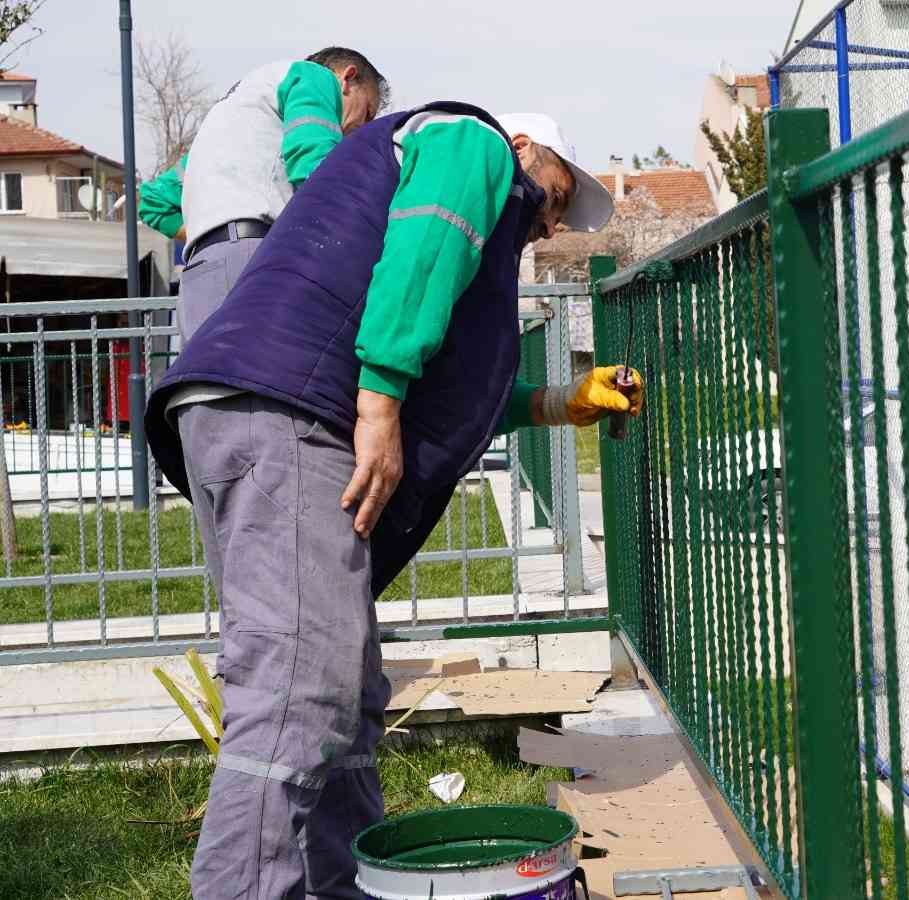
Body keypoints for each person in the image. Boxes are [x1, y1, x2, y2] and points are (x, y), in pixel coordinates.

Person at [144, 104, 638, 900]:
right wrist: (377, 405)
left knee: (340, 684)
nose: (552, 223)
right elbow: (421, 253)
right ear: (523, 147)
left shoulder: (461, 206)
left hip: (254, 406)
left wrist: (558, 401)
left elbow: (452, 385)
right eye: (554, 195)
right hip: (291, 414)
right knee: (298, 695)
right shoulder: (469, 143)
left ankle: (341, 886)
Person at [137, 47, 388, 339]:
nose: (361, 129)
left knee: (208, 383)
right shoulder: (315, 77)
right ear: (348, 78)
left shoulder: (235, 120)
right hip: (254, 258)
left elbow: (153, 202)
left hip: (201, 273)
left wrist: (215, 230)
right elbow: (317, 170)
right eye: (367, 112)